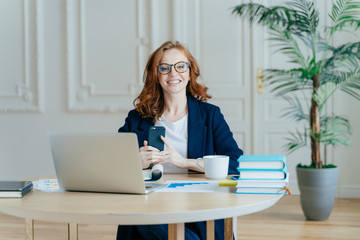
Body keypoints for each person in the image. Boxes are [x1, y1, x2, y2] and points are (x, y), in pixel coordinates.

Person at [117, 41, 243, 240]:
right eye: (164, 68)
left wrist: (183, 162)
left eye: (180, 66)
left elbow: (234, 162)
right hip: (150, 206)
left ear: (190, 71)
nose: (173, 73)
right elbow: (113, 163)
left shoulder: (210, 115)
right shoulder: (137, 118)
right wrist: (136, 163)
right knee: (145, 218)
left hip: (198, 208)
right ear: (155, 75)